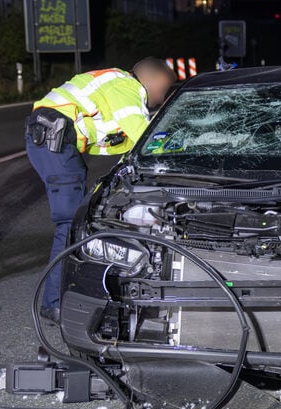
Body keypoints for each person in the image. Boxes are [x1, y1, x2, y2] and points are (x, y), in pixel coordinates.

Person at [26, 57, 175, 323]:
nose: (161, 100)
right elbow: (144, 137)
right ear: (152, 80)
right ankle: (54, 304)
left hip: (58, 139)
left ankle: (63, 299)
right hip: (53, 134)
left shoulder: (119, 91)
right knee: (71, 223)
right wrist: (175, 154)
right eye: (164, 90)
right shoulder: (127, 87)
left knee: (80, 219)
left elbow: (129, 148)